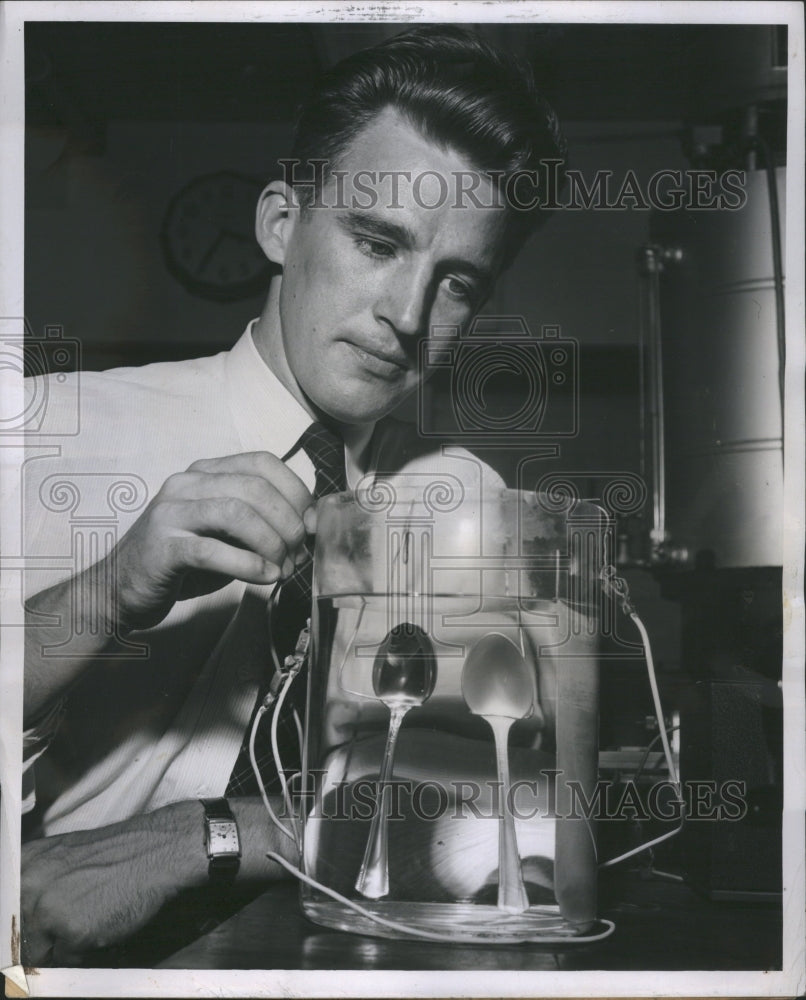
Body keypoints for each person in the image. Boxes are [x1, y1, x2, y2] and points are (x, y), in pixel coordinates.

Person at [20, 25, 566, 963]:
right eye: (377, 241)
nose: (406, 315)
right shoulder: (45, 432)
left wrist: (213, 836)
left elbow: (485, 816)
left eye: (457, 283)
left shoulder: (461, 497)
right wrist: (107, 593)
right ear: (280, 223)